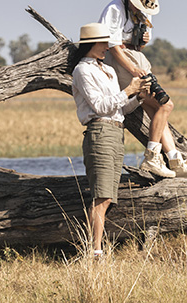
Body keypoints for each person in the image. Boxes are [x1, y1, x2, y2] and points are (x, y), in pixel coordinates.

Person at [99, 0, 187, 178]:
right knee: (166, 105)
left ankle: (174, 160)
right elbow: (112, 45)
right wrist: (132, 70)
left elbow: (140, 46)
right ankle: (152, 158)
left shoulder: (144, 11)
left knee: (159, 108)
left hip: (136, 59)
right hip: (121, 62)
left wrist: (144, 40)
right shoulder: (115, 8)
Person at [71, 22, 151, 257]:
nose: (107, 47)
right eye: (103, 42)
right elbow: (100, 106)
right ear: (90, 44)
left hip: (116, 132)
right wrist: (128, 90)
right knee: (102, 195)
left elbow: (120, 109)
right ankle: (96, 252)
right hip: (100, 132)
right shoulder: (82, 71)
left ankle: (96, 248)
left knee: (108, 195)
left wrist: (138, 96)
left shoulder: (109, 70)